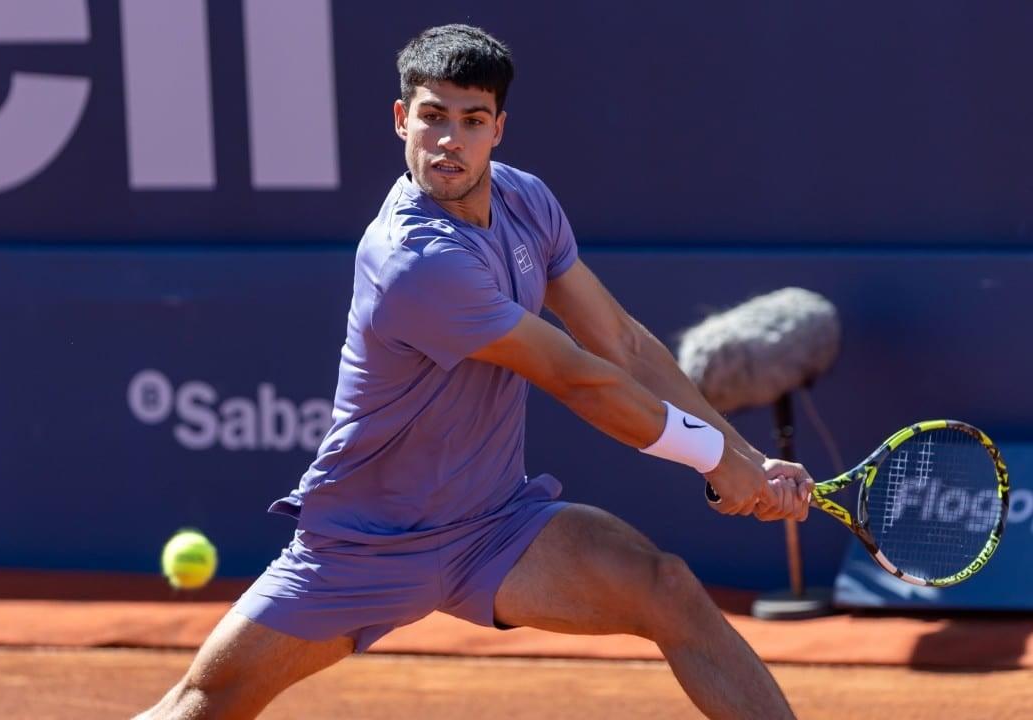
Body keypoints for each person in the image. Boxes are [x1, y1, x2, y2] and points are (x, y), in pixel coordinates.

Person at [137, 23, 814, 720]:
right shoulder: (416, 261)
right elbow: (579, 378)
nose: (448, 141)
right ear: (402, 119)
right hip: (366, 547)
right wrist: (710, 458)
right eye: (432, 117)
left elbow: (623, 345)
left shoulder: (526, 202)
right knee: (203, 707)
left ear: (499, 130)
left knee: (667, 588)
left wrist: (743, 456)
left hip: (493, 528)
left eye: (472, 120)